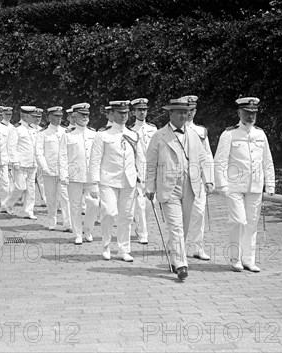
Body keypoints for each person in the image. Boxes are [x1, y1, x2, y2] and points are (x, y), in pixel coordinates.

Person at [144, 97, 213, 280]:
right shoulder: (159, 136)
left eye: (186, 112)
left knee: (184, 225)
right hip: (168, 187)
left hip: (190, 185)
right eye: (180, 112)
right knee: (176, 226)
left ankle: (175, 256)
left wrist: (208, 180)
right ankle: (182, 264)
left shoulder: (193, 135)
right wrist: (149, 185)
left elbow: (204, 158)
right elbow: (150, 164)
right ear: (170, 114)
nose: (184, 115)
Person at [214, 97, 275, 273]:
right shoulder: (229, 134)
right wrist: (222, 185)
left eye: (253, 113)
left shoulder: (260, 134)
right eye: (247, 113)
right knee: (238, 221)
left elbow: (267, 160)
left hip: (255, 186)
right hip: (234, 186)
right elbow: (220, 161)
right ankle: (235, 258)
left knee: (252, 223)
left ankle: (249, 259)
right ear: (239, 113)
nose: (250, 117)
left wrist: (270, 183)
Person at [89, 100, 144, 262]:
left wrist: (143, 180)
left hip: (129, 181)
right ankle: (106, 245)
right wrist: (93, 183)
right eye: (120, 113)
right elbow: (95, 160)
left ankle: (123, 249)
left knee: (127, 216)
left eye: (126, 113)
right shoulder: (103, 135)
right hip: (108, 181)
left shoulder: (133, 135)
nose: (123, 116)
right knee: (109, 212)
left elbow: (140, 159)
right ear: (111, 114)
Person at [59, 103, 98, 244]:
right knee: (75, 205)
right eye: (82, 115)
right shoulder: (68, 135)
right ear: (74, 117)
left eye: (87, 114)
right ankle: (78, 233)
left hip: (91, 176)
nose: (85, 117)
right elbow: (62, 156)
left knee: (94, 203)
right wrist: (63, 175)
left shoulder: (94, 134)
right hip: (74, 175)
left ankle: (88, 229)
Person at [183, 95, 214, 260]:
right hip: (180, 179)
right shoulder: (173, 130)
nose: (189, 113)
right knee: (181, 214)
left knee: (199, 213)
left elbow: (207, 156)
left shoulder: (201, 131)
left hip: (197, 179)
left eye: (192, 110)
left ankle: (197, 247)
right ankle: (178, 245)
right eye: (186, 110)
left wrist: (209, 179)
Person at [37, 106, 71, 231]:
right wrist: (45, 168)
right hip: (49, 171)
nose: (58, 119)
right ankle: (52, 221)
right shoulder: (43, 133)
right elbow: (39, 153)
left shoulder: (66, 132)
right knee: (51, 198)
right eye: (56, 116)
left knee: (65, 197)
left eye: (60, 116)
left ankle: (68, 223)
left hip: (63, 170)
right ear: (49, 117)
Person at [129, 97, 157, 245]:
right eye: (139, 110)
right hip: (138, 171)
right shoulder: (131, 131)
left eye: (144, 110)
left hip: (152, 172)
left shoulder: (153, 129)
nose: (142, 112)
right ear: (134, 112)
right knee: (140, 203)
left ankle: (141, 226)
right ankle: (142, 233)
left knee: (149, 205)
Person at [6, 106, 39, 219]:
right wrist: (14, 161)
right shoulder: (16, 129)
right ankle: (9, 204)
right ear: (25, 116)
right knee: (20, 187)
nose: (34, 118)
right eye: (32, 116)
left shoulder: (33, 129)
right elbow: (11, 146)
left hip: (32, 163)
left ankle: (29, 211)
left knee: (31, 189)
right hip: (20, 163)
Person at [31, 108, 47, 206]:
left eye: (39, 117)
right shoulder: (27, 129)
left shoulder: (42, 130)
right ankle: (25, 199)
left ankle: (44, 199)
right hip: (30, 158)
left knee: (41, 179)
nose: (38, 119)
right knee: (29, 180)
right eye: (35, 117)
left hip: (40, 158)